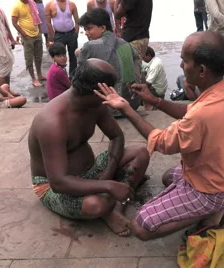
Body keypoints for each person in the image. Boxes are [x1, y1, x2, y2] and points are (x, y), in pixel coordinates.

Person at [94, 31, 224, 241]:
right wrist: (155, 101)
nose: (182, 65)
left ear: (202, 70)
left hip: (212, 188)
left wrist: (126, 108)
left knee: (141, 226)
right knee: (168, 177)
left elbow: (161, 142)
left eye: (185, 60)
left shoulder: (203, 115)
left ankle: (212, 211)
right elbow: (191, 112)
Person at [28, 58, 150, 236]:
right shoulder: (52, 123)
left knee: (141, 153)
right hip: (54, 186)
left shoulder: (94, 103)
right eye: (110, 88)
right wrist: (108, 185)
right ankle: (108, 208)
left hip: (93, 171)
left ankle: (115, 208)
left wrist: (107, 174)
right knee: (96, 205)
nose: (113, 92)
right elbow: (58, 183)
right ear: (97, 90)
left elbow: (116, 137)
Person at [77, 9, 142, 117]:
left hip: (110, 109)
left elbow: (78, 78)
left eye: (89, 29)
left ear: (103, 28)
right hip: (132, 105)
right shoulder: (125, 43)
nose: (86, 33)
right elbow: (136, 62)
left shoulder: (90, 46)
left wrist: (80, 53)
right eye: (85, 30)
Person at [12, 0, 45, 87]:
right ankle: (33, 79)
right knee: (29, 59)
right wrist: (24, 34)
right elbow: (14, 23)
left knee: (39, 56)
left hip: (37, 34)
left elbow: (37, 18)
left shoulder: (32, 3)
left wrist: (40, 32)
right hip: (27, 36)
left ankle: (39, 75)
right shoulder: (16, 6)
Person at [45, 0, 79, 76]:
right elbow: (48, 22)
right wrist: (53, 35)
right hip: (58, 34)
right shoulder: (50, 5)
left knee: (73, 56)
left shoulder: (71, 4)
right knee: (59, 56)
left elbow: (77, 20)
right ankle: (61, 75)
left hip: (71, 33)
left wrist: (76, 33)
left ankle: (73, 76)